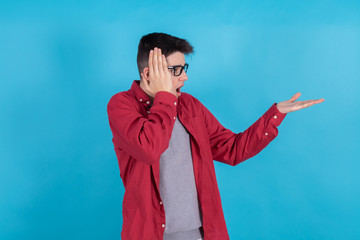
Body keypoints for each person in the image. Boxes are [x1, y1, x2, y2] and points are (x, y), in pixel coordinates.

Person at [106, 32, 324, 240]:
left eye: (185, 68)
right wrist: (164, 96)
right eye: (176, 70)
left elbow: (232, 150)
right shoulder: (122, 106)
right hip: (150, 234)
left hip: (200, 234)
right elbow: (149, 148)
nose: (185, 76)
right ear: (148, 74)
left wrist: (275, 115)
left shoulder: (189, 105)